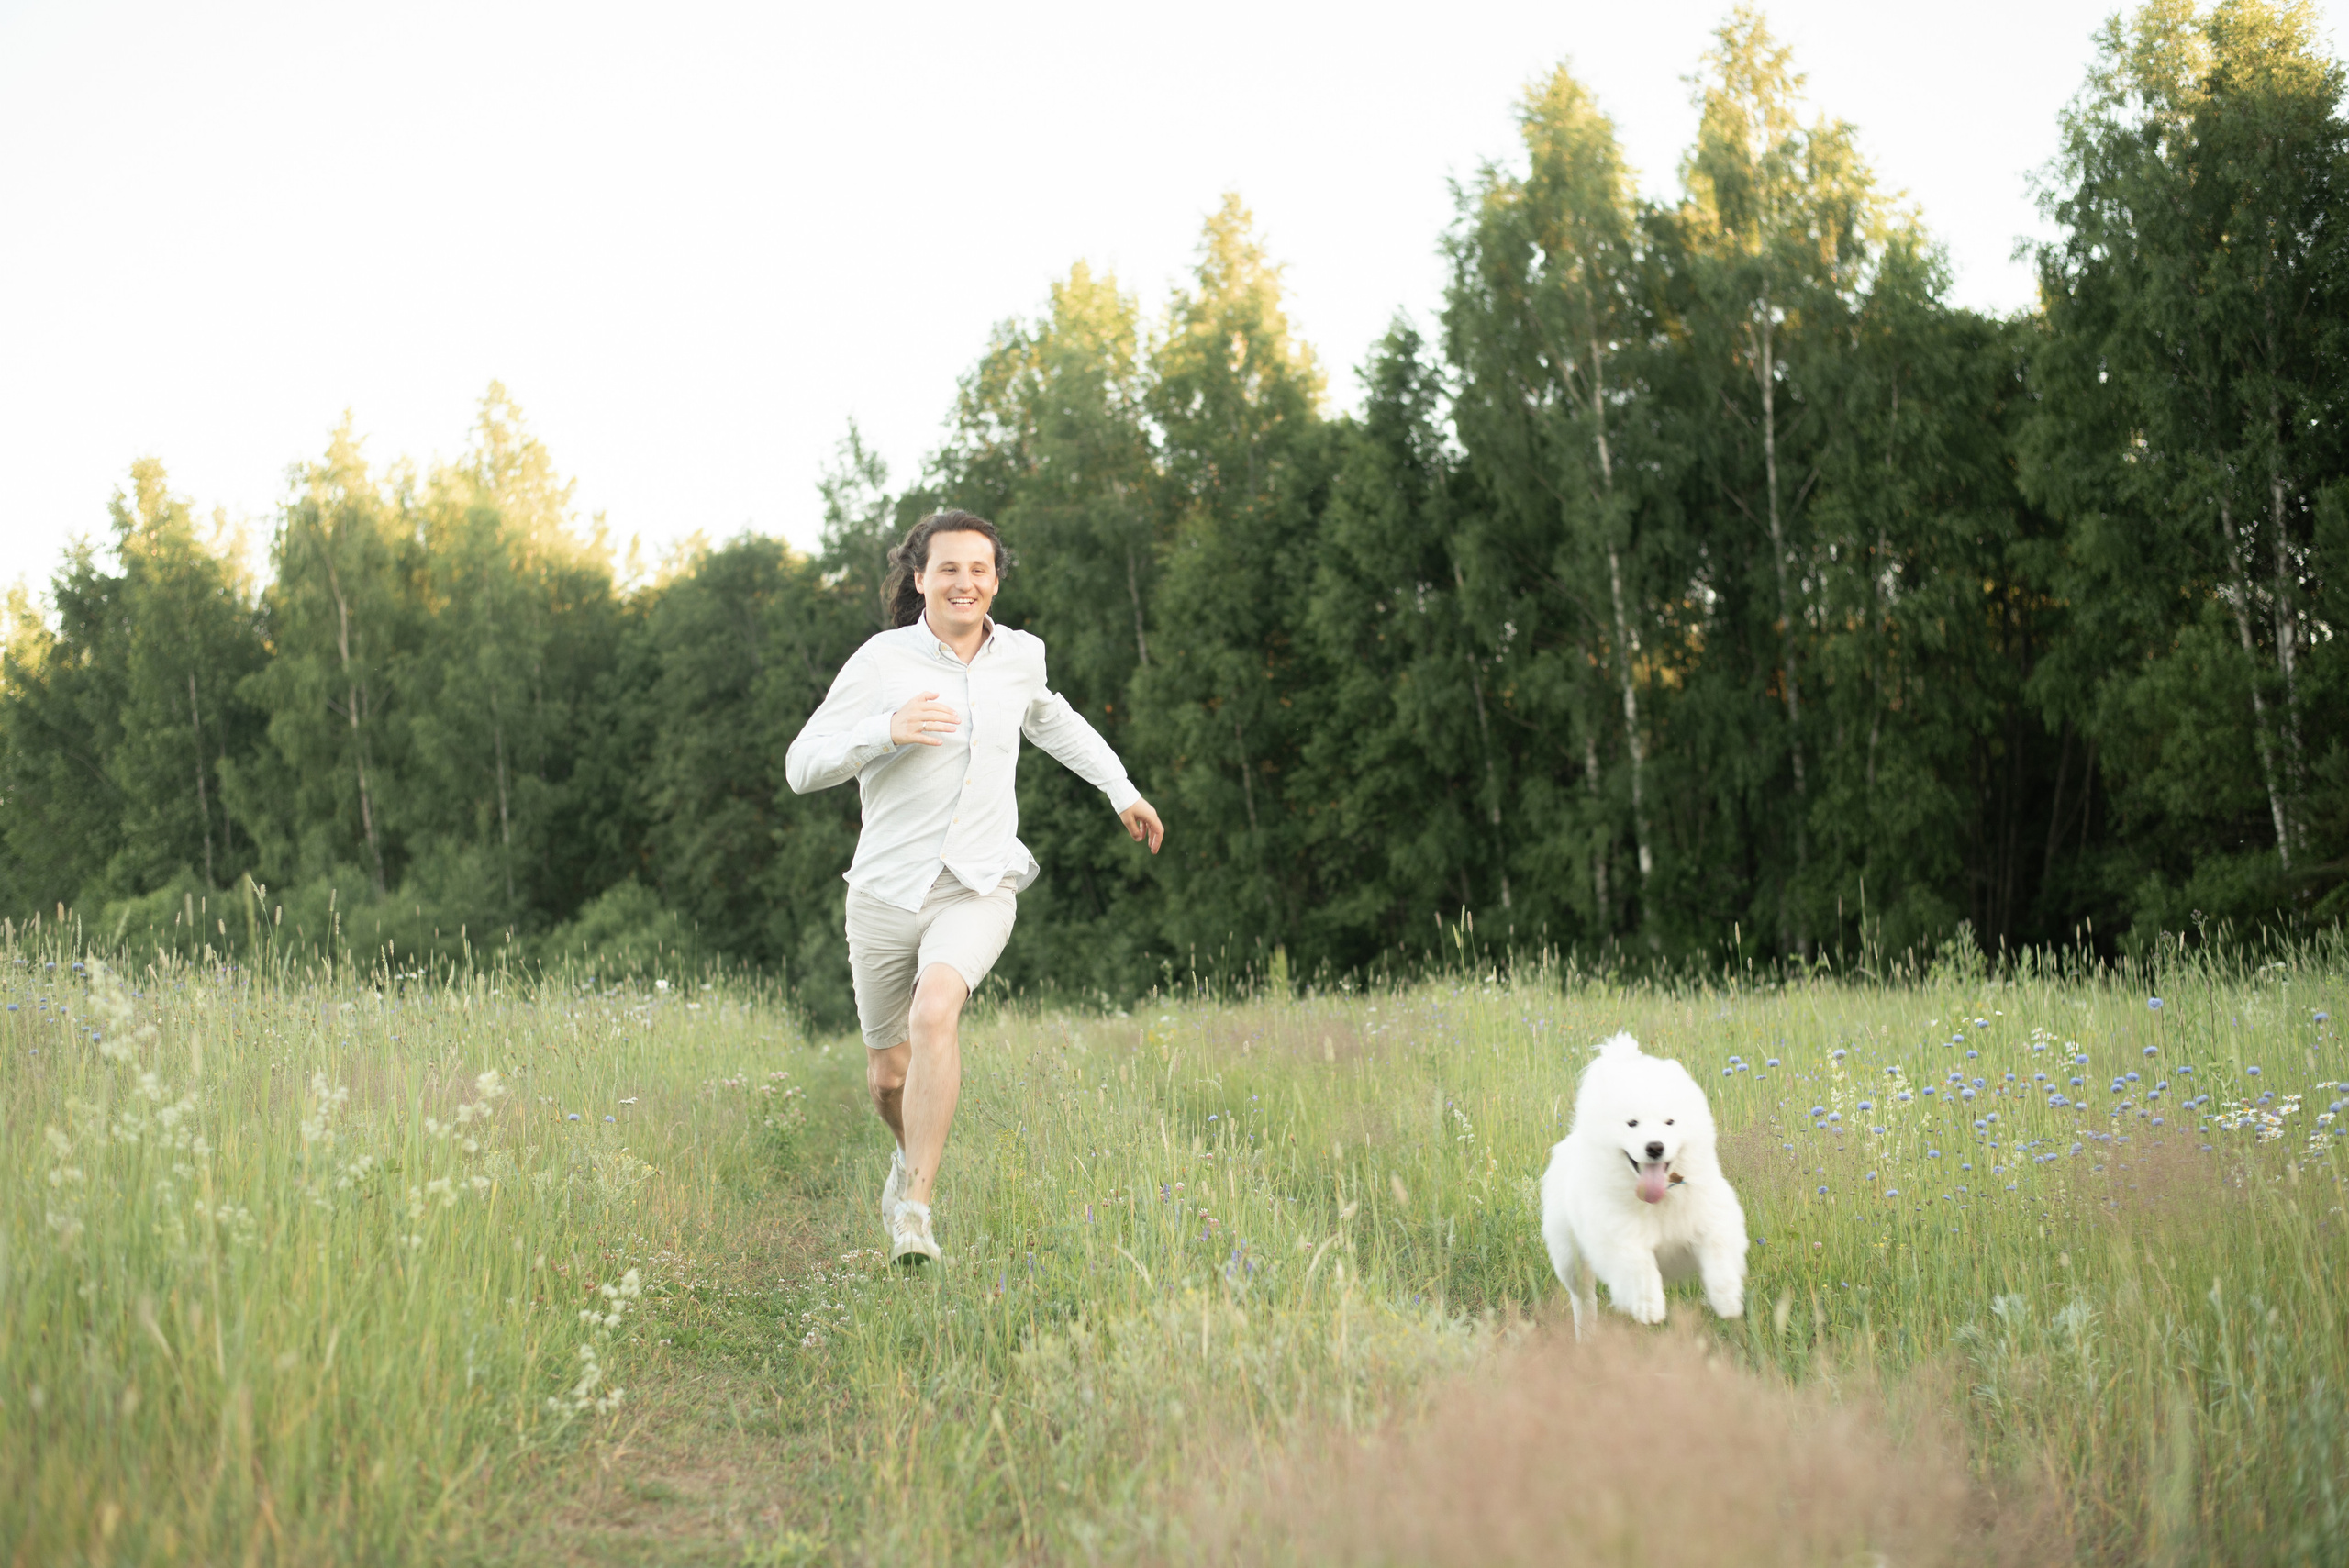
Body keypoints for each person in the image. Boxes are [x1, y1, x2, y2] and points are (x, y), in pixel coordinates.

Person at [785, 509, 1164, 1265]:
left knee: (937, 1014)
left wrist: (1120, 786)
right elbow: (801, 766)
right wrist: (885, 729)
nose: (966, 582)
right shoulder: (881, 663)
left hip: (980, 881)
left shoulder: (1020, 656)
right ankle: (905, 1153)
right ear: (919, 578)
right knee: (888, 1075)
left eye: (979, 570)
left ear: (995, 579)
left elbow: (1052, 719)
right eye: (949, 569)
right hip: (886, 891)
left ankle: (915, 1213)